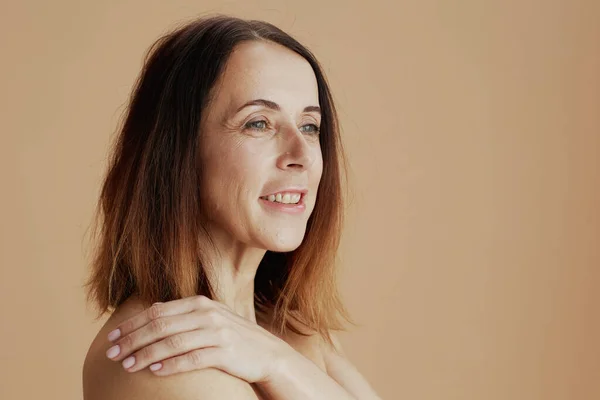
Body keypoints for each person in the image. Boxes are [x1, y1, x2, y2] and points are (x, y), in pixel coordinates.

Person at [82, 14, 382, 400]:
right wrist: (282, 365)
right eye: (258, 123)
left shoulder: (286, 328)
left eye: (310, 126)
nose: (302, 154)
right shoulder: (161, 355)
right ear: (179, 152)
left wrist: (278, 361)